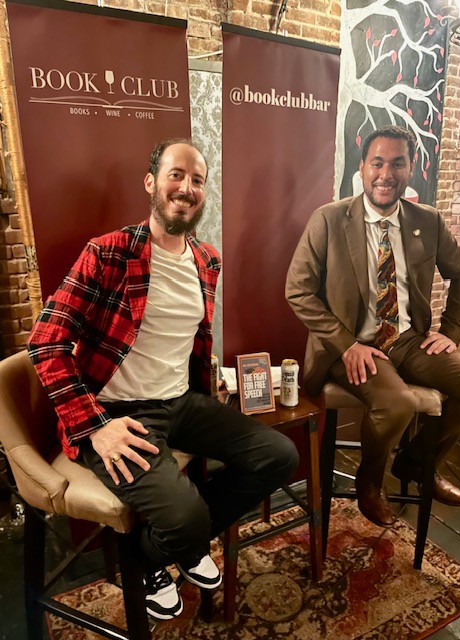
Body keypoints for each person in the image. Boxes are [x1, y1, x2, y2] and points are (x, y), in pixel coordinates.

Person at [27, 138, 299, 621]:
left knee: (279, 456)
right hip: (115, 414)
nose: (187, 188)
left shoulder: (207, 261)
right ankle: (164, 553)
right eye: (177, 175)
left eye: (197, 180)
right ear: (151, 183)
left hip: (180, 404)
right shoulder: (108, 253)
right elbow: (45, 343)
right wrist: (94, 424)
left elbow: (190, 343)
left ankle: (163, 549)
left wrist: (209, 389)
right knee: (187, 516)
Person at [286, 125, 460, 528]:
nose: (386, 174)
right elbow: (297, 291)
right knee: (399, 403)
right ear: (362, 168)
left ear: (412, 169)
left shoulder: (427, 221)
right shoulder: (329, 219)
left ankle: (418, 463)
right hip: (351, 345)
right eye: (377, 163)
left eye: (397, 163)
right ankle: (369, 483)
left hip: (410, 340)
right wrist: (345, 344)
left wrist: (452, 331)